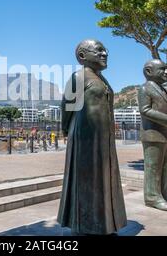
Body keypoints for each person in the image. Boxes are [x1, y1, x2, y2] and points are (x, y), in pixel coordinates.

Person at [58, 39, 127, 235]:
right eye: (98, 50)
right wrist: (67, 131)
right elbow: (67, 107)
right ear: (82, 56)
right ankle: (84, 225)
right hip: (85, 140)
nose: (105, 53)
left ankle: (103, 223)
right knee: (86, 182)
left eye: (105, 50)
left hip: (104, 141)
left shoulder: (102, 79)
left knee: (104, 180)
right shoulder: (78, 77)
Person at [138, 59, 167, 212]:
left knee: (165, 166)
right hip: (153, 134)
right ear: (148, 71)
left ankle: (164, 193)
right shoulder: (145, 88)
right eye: (162, 69)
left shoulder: (163, 90)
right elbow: (145, 110)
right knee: (153, 167)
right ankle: (152, 197)